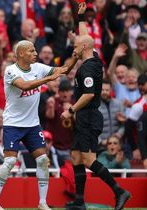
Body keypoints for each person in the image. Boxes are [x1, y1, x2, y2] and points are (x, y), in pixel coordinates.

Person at [0, 39, 77, 210]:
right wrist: (48, 78)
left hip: (33, 124)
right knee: (10, 161)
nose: (36, 54)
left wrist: (75, 57)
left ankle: (42, 202)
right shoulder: (10, 71)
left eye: (35, 51)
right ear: (20, 53)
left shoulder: (38, 67)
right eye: (31, 51)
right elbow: (25, 86)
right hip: (13, 123)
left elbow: (63, 70)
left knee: (43, 160)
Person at [60, 3, 131, 210]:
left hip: (89, 116)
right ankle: (80, 201)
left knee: (89, 159)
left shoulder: (87, 69)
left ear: (83, 48)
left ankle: (119, 191)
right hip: (84, 117)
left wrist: (71, 109)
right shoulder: (93, 57)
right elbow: (84, 38)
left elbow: (89, 94)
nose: (73, 48)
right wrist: (81, 18)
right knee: (75, 156)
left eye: (76, 46)